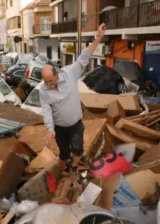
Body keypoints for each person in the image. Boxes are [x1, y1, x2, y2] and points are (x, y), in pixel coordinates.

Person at [39, 23, 107, 171]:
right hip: (59, 127)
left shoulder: (70, 75)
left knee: (77, 148)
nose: (49, 84)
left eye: (51, 80)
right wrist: (50, 128)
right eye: (46, 82)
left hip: (75, 124)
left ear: (57, 74)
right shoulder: (43, 90)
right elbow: (46, 110)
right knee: (64, 152)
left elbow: (83, 58)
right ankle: (62, 169)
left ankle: (74, 166)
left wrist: (99, 38)